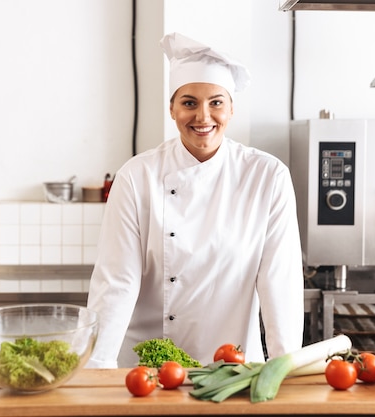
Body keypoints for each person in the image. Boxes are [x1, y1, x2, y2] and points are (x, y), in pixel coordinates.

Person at [86, 32, 304, 368]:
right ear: (172, 109)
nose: (203, 117)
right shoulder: (136, 176)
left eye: (216, 102)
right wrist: (97, 369)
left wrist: (284, 368)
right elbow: (117, 280)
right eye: (189, 102)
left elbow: (279, 280)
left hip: (233, 369)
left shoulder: (267, 176)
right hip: (148, 370)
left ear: (231, 109)